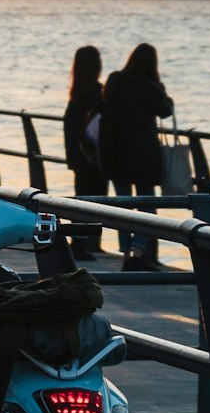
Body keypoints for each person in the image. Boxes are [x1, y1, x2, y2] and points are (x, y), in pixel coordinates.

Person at [99, 43, 174, 269]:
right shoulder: (150, 88)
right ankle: (139, 252)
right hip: (143, 154)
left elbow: (105, 103)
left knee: (122, 206)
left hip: (115, 151)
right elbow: (166, 111)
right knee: (145, 204)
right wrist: (160, 88)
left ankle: (125, 253)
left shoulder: (114, 81)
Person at [62, 45, 107, 259]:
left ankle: (80, 241)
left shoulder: (75, 94)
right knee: (96, 199)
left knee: (81, 197)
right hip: (94, 155)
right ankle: (87, 242)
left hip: (77, 154)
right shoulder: (97, 93)